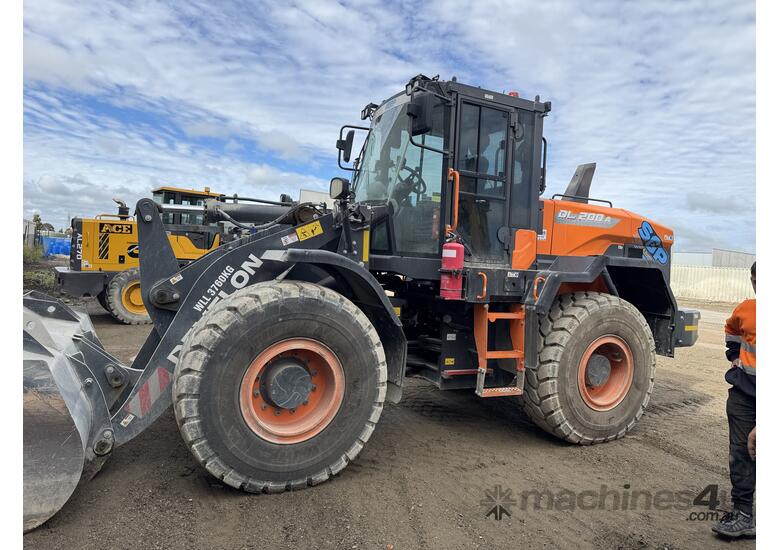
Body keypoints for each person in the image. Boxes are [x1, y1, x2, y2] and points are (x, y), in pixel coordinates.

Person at [712, 261, 756, 539]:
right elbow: (731, 331)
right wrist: (735, 356)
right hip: (744, 394)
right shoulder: (746, 309)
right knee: (741, 452)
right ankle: (744, 514)